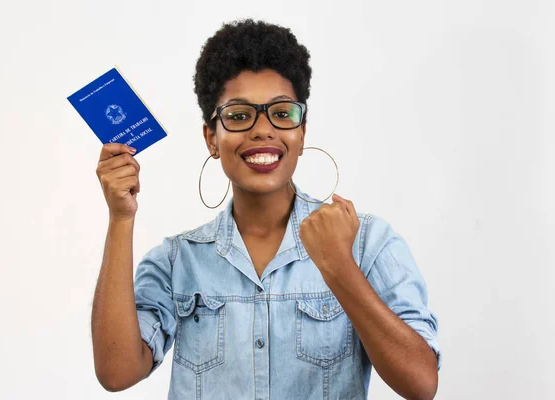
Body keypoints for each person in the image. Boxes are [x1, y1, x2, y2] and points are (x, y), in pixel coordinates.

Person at [91, 19, 441, 400]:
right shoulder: (177, 261)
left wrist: (339, 267)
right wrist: (120, 218)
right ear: (211, 137)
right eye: (239, 115)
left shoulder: (367, 242)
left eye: (282, 113)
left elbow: (421, 383)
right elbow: (117, 371)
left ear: (302, 131)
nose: (262, 130)